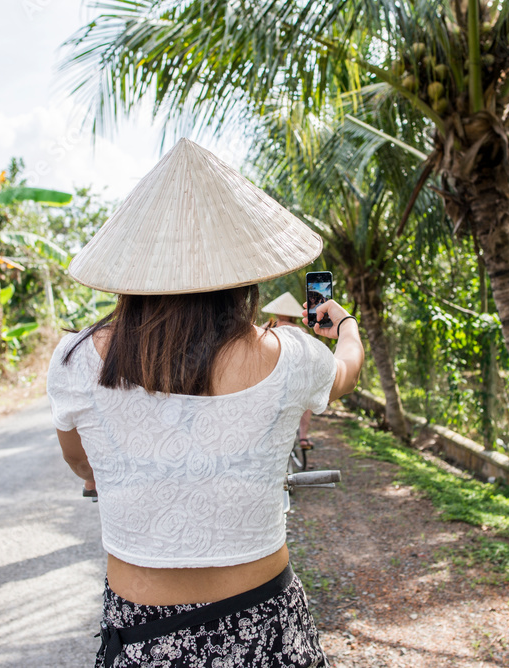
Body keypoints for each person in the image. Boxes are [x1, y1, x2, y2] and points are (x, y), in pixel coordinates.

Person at [45, 138, 364, 668]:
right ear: (244, 273)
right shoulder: (293, 354)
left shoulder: (75, 359)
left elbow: (82, 464)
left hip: (145, 638)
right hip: (266, 629)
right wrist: (345, 325)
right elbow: (347, 372)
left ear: (134, 272)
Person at [259, 292, 315, 451]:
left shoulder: (267, 327)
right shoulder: (301, 330)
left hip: (270, 375)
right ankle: (303, 437)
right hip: (295, 376)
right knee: (306, 402)